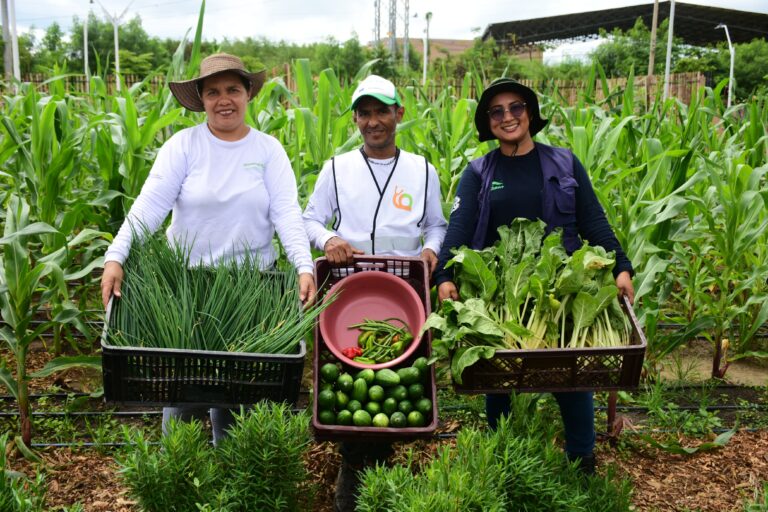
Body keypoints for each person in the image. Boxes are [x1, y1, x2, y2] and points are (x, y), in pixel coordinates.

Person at [100, 53, 316, 444]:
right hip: (189, 289)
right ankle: (179, 481)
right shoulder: (184, 146)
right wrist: (116, 256)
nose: (224, 99)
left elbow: (287, 213)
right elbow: (150, 206)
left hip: (252, 291)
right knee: (183, 396)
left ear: (248, 93)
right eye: (213, 91)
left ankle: (230, 489)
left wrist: (304, 266)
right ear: (201, 98)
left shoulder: (268, 151)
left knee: (240, 400)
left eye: (233, 89)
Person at [433, 78, 635, 475]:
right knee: (498, 374)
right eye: (497, 111)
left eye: (516, 107)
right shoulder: (478, 172)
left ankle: (582, 461)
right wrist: (444, 274)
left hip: (561, 288)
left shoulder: (564, 162)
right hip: (501, 291)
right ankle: (500, 458)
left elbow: (593, 219)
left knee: (571, 376)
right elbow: (459, 228)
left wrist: (622, 266)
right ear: (487, 122)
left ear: (531, 113)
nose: (508, 117)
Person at [302, 74, 447, 511]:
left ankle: (380, 481)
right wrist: (328, 240)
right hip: (348, 294)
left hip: (403, 294)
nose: (373, 121)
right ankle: (354, 481)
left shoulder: (422, 170)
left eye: (381, 110)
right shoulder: (337, 168)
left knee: (398, 382)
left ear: (398, 113)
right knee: (351, 378)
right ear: (355, 119)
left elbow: (437, 225)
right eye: (364, 113)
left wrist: (429, 249)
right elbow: (309, 219)